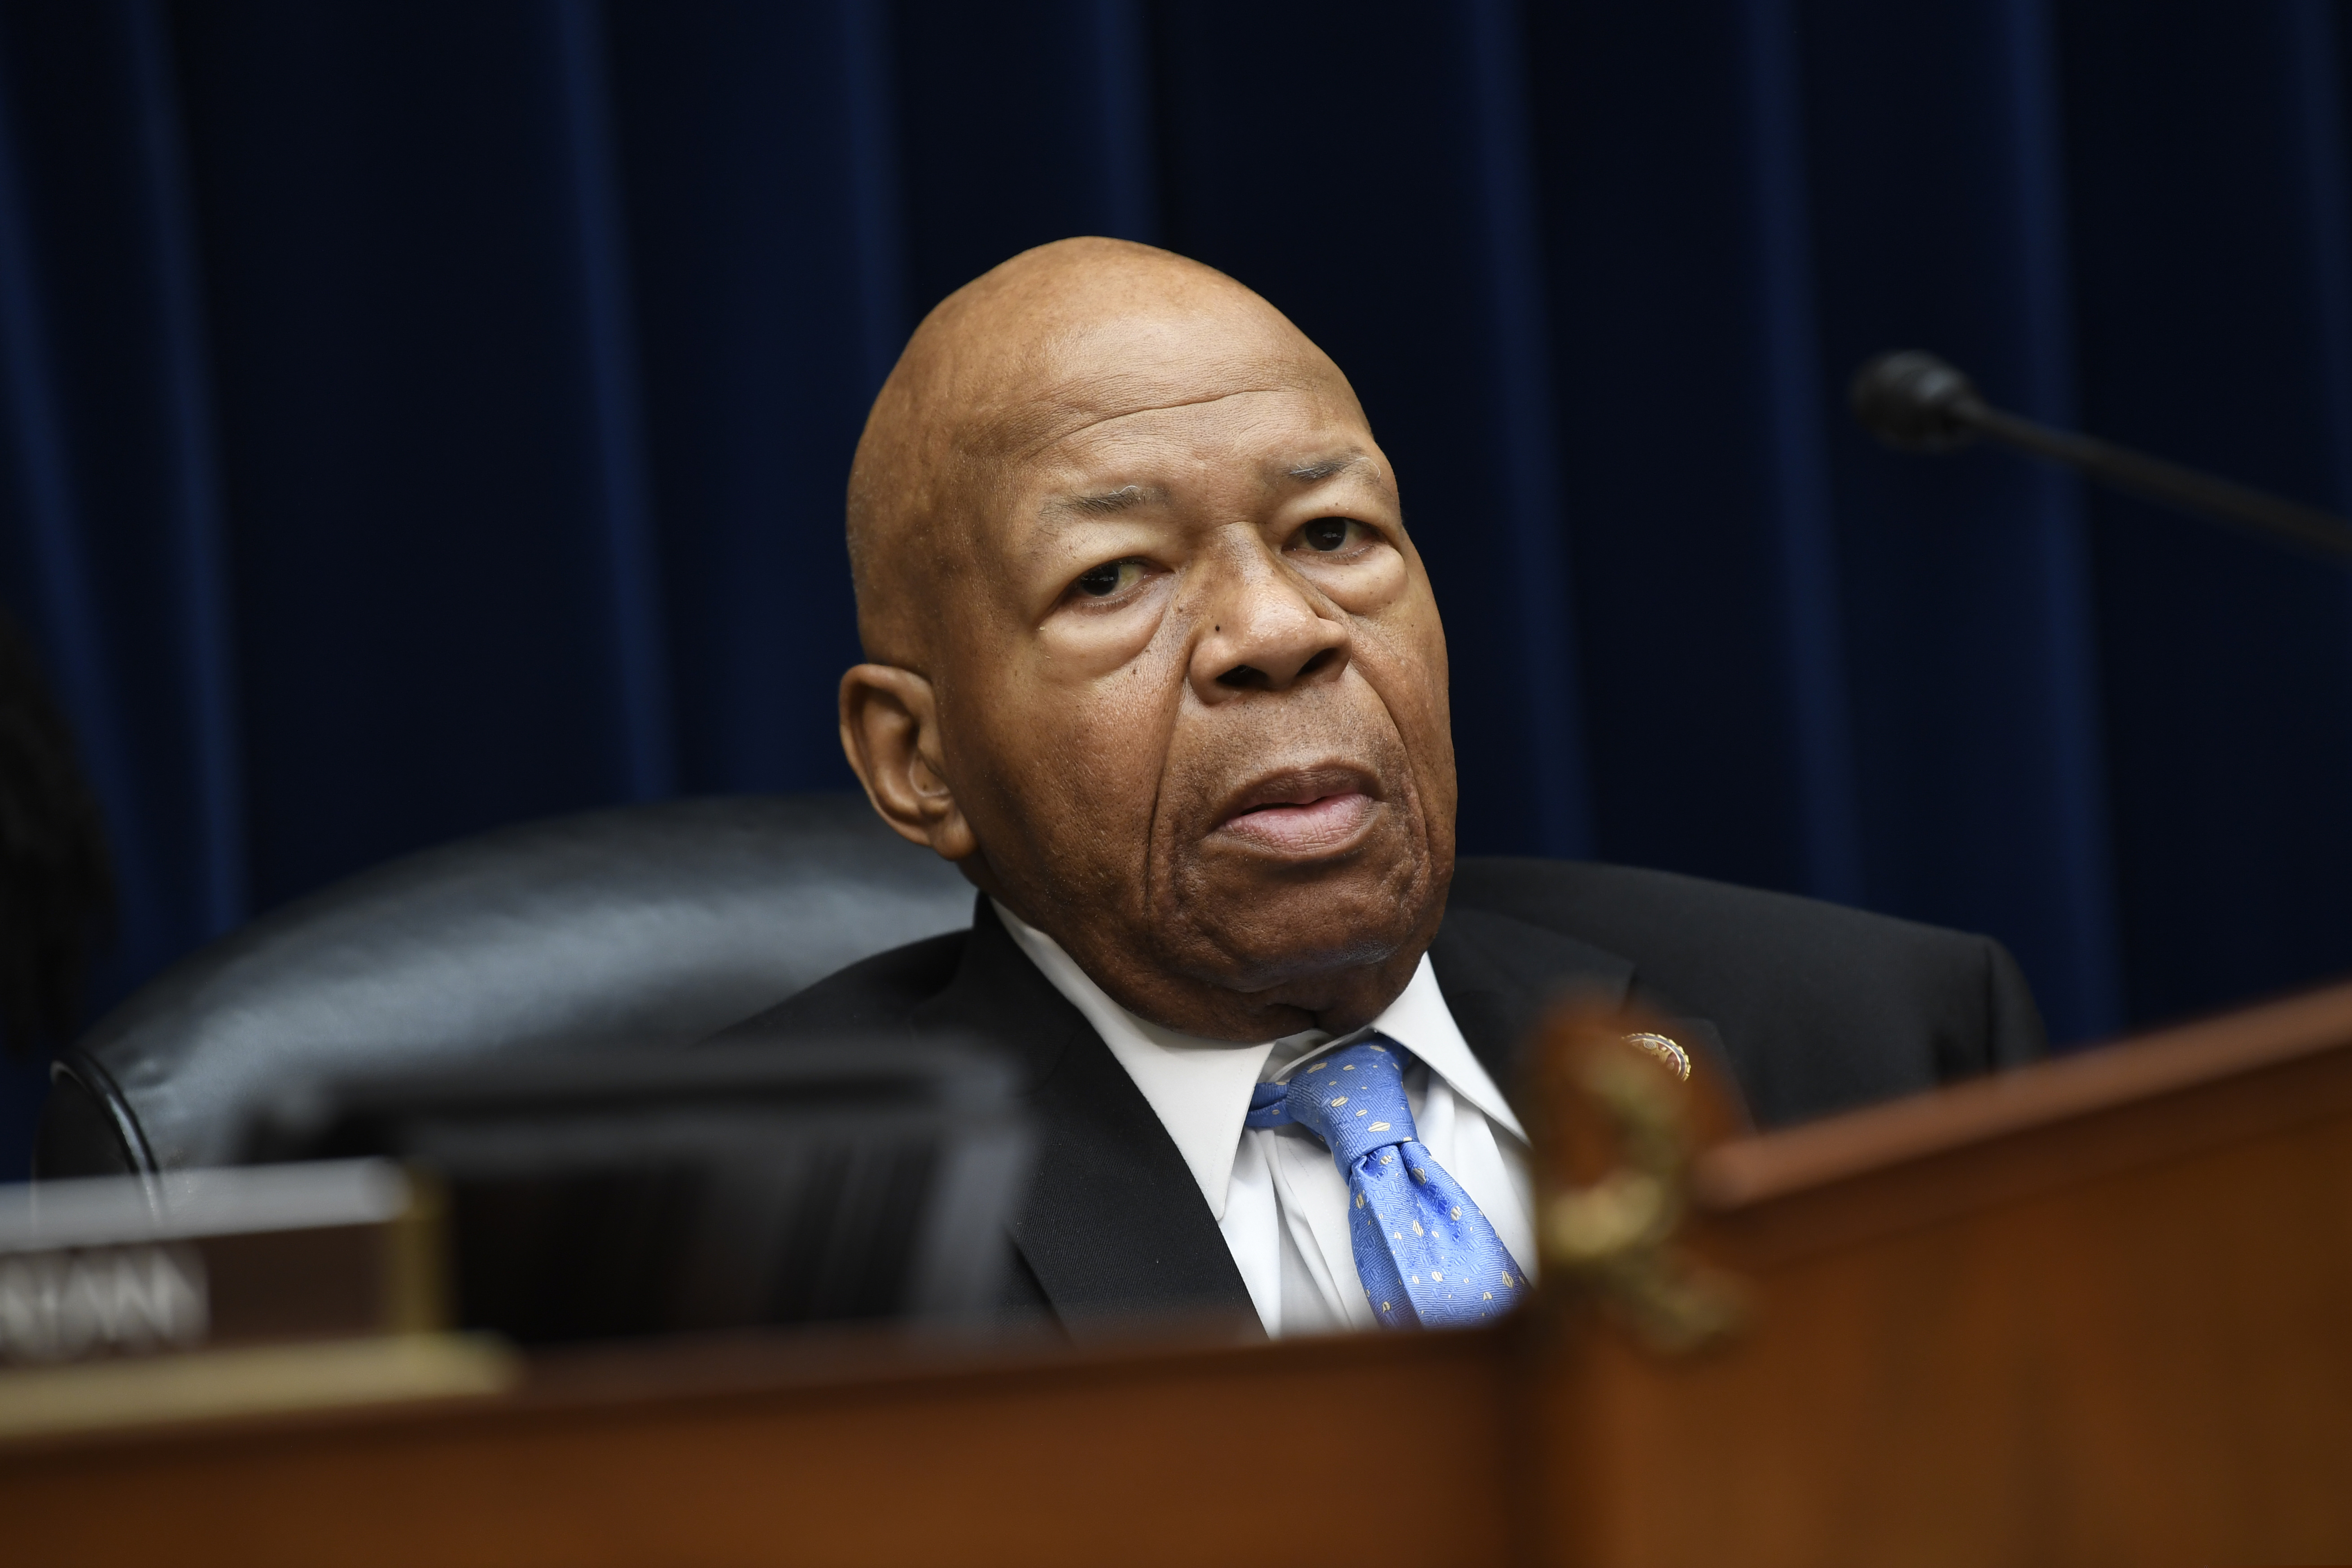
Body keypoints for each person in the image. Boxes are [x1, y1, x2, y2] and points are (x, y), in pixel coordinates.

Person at [708, 237, 2044, 1339]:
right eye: (1114, 575)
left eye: (1334, 533)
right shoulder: (752, 1239)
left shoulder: (1878, 1047)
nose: (1280, 628)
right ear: (917, 760)